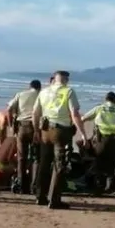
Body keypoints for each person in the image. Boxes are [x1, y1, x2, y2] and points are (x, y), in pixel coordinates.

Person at [31, 70, 89, 209]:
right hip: (61, 131)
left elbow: (35, 112)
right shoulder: (68, 92)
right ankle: (54, 199)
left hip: (45, 129)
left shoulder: (44, 92)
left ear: (54, 79)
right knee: (59, 164)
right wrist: (83, 133)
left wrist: (36, 131)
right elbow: (74, 113)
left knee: (44, 163)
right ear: (66, 80)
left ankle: (40, 196)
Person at [82, 91, 115, 194]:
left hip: (102, 139)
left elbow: (83, 118)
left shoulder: (100, 108)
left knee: (99, 162)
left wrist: (83, 134)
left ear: (105, 99)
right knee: (111, 162)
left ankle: (98, 187)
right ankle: (110, 186)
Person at [7, 80, 42, 194]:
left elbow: (9, 109)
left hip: (22, 126)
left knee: (21, 157)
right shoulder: (42, 95)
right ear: (39, 87)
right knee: (36, 157)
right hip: (36, 128)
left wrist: (11, 125)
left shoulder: (20, 94)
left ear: (29, 86)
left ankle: (22, 186)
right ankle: (34, 186)